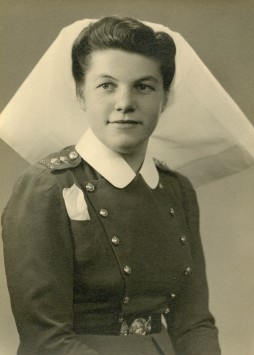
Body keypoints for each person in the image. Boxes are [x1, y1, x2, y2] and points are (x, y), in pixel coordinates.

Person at [2, 16, 221, 355]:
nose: (125, 103)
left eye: (144, 86)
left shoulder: (178, 191)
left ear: (165, 98)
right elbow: (44, 340)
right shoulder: (46, 188)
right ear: (81, 94)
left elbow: (194, 322)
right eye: (107, 85)